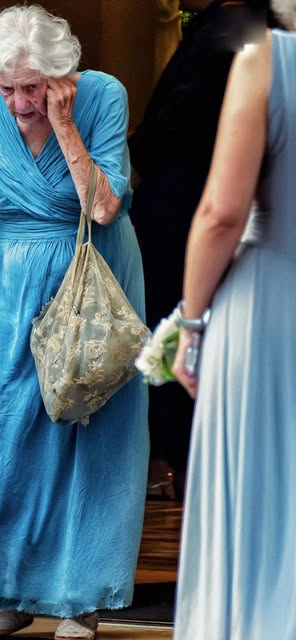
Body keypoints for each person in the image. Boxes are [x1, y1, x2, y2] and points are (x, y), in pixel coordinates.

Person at [0, 5, 149, 639]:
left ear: (59, 75)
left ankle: (80, 597)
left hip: (89, 276)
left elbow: (104, 207)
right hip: (10, 279)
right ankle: (5, 588)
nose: (18, 104)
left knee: (85, 426)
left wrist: (63, 124)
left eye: (31, 88)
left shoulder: (103, 96)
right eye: (8, 89)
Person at [171, 1, 296, 637]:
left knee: (257, 503)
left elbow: (221, 213)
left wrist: (190, 325)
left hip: (271, 307)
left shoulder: (267, 60)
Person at [127, 0, 274, 499]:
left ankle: (177, 467)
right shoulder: (258, 34)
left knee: (178, 332)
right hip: (239, 219)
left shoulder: (230, 31)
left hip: (190, 206)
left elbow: (168, 121)